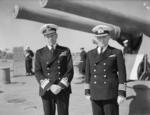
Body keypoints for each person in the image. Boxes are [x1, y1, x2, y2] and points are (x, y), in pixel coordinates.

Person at [84, 25, 127, 115]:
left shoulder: (116, 52)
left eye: (104, 37)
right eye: (99, 38)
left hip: (110, 93)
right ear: (96, 38)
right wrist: (87, 91)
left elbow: (122, 73)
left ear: (109, 37)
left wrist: (121, 93)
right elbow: (88, 74)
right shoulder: (90, 54)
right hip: (95, 93)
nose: (102, 40)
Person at [34, 24, 74, 115]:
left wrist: (60, 86)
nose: (50, 38)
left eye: (52, 35)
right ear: (44, 38)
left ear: (56, 36)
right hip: (47, 89)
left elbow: (70, 70)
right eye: (47, 36)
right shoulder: (39, 52)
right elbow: (37, 71)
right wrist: (50, 86)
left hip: (62, 89)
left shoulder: (65, 50)